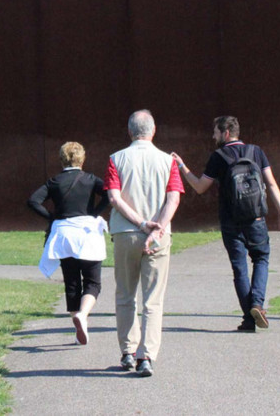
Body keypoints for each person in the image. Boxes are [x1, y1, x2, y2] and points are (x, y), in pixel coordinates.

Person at [171, 115, 280, 332]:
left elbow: (199, 187)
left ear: (226, 133)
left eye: (215, 132)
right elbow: (271, 183)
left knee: (240, 268)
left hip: (231, 221)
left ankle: (249, 319)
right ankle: (257, 304)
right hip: (256, 219)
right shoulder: (256, 151)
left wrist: (182, 166)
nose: (213, 135)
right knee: (261, 258)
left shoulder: (218, 156)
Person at [105, 110, 183, 377]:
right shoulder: (167, 161)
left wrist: (139, 223)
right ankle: (146, 355)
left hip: (126, 232)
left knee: (125, 294)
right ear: (154, 130)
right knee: (153, 300)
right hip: (158, 236)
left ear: (129, 131)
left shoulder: (116, 159)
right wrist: (156, 228)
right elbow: (173, 198)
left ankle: (127, 351)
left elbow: (114, 198)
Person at [28, 141, 110, 346]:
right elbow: (109, 194)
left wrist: (52, 217)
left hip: (64, 235)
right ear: (82, 158)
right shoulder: (91, 179)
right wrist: (94, 213)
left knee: (72, 283)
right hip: (87, 233)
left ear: (62, 159)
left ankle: (78, 328)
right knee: (93, 282)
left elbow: (33, 201)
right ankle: (83, 314)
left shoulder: (54, 181)